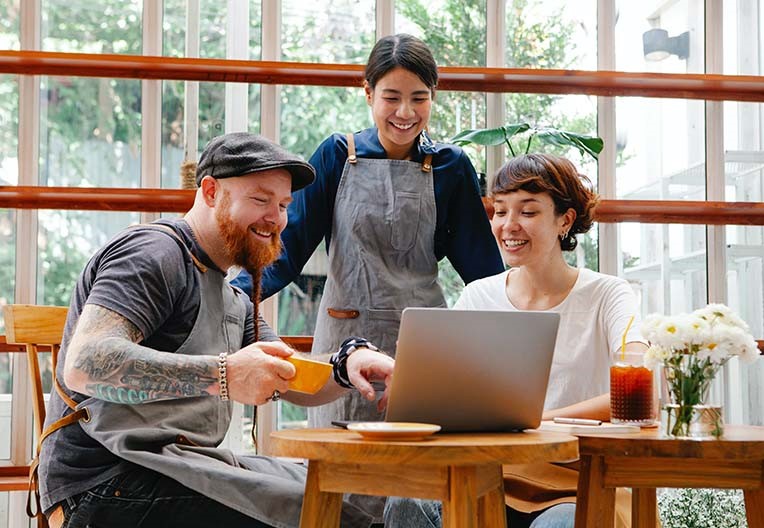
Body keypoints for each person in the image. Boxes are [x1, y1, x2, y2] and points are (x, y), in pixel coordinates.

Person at [36, 132, 394, 528]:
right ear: (209, 192)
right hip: (104, 484)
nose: (275, 218)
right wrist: (225, 375)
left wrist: (348, 363)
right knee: (323, 516)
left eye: (283, 205)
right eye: (260, 200)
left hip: (175, 468)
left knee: (344, 499)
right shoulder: (154, 254)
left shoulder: (232, 298)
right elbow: (85, 363)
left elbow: (291, 377)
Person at [232, 34, 503, 428]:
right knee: (342, 474)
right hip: (344, 346)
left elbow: (483, 274)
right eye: (391, 97)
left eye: (419, 97)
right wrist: (231, 295)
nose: (405, 112)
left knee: (419, 478)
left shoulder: (451, 166)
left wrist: (518, 335)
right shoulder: (337, 155)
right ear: (368, 93)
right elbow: (286, 252)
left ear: (434, 96)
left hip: (424, 346)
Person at [384, 153, 645, 528]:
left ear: (565, 220)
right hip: (489, 478)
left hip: (580, 482)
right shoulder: (478, 296)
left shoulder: (608, 294)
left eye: (528, 211)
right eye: (500, 211)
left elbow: (639, 388)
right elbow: (445, 391)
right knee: (406, 504)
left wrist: (535, 422)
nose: (509, 225)